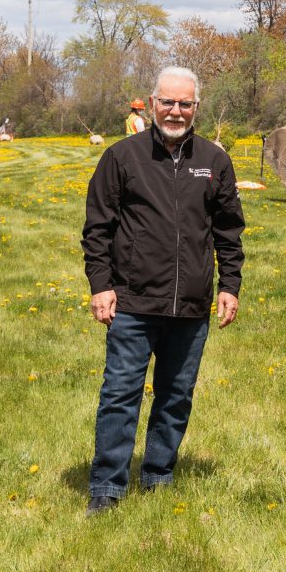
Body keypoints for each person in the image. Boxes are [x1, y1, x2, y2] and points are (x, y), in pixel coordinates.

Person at [81, 66, 244, 510]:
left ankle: (157, 475)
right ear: (151, 103)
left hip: (191, 306)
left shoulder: (214, 161)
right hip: (132, 302)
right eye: (168, 102)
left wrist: (229, 285)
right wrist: (101, 285)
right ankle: (107, 487)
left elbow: (229, 231)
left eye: (185, 103)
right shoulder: (122, 157)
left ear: (196, 108)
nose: (176, 111)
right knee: (120, 396)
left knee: (176, 396)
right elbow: (98, 228)